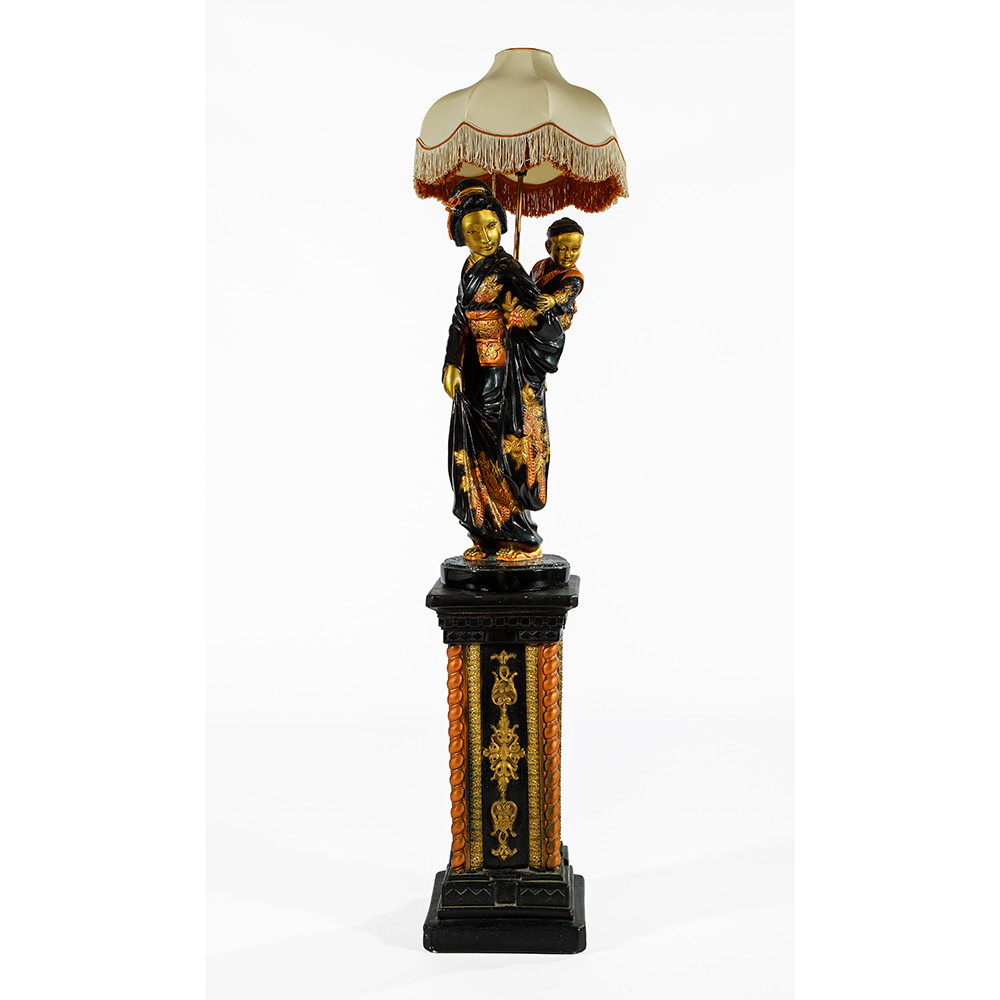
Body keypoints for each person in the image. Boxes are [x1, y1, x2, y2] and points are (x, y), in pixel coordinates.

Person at [441, 180, 567, 562]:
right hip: (475, 374)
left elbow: (545, 320)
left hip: (506, 377)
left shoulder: (508, 269)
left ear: (502, 224)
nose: (484, 237)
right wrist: (452, 361)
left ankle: (519, 537)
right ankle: (485, 532)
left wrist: (522, 320)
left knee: (503, 453)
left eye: (491, 226)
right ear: (461, 235)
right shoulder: (469, 269)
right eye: (473, 231)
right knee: (473, 451)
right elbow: (460, 319)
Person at [530, 218, 585, 331]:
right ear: (548, 246)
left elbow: (565, 295)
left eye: (575, 249)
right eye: (562, 249)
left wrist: (553, 300)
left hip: (555, 318)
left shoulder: (574, 277)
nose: (568, 255)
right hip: (534, 308)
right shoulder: (539, 265)